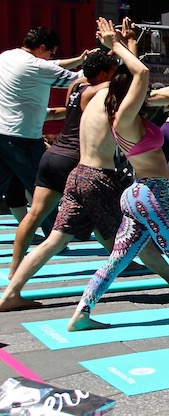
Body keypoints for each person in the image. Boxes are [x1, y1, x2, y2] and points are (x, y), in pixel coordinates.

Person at [66, 18, 169, 331]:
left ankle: (81, 313)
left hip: (139, 195)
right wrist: (116, 47)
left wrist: (128, 41)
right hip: (151, 195)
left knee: (118, 260)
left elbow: (162, 89)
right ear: (129, 92)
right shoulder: (123, 118)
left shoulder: (127, 113)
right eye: (141, 90)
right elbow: (142, 72)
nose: (147, 91)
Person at [7, 51, 117, 279]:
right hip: (74, 159)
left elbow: (94, 71)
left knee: (35, 214)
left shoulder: (75, 86)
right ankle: (124, 259)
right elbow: (125, 85)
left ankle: (14, 267)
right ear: (105, 74)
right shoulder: (97, 91)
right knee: (103, 214)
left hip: (53, 155)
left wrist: (109, 51)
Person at [0, 27, 93, 234]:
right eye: (51, 51)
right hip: (23, 138)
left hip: (2, 133)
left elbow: (51, 64)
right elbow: (80, 78)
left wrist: (78, 58)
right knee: (45, 188)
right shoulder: (38, 67)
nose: (52, 57)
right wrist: (110, 55)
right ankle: (54, 234)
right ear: (42, 47)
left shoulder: (7, 56)